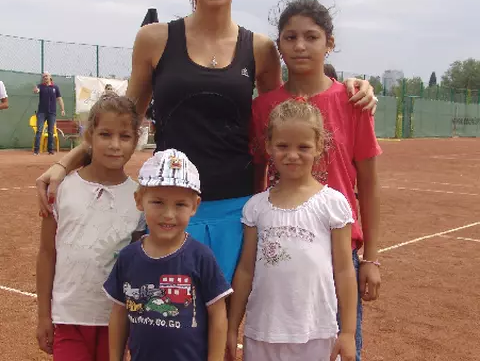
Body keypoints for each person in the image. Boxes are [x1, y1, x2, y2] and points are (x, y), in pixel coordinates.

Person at [35, 0, 376, 283]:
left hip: (237, 210)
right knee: (166, 314)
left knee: (227, 315)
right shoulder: (154, 40)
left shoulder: (260, 49)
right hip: (169, 208)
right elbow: (121, 120)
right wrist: (65, 162)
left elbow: (289, 112)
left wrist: (349, 86)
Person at [249, 0, 382, 360]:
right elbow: (257, 179)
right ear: (279, 45)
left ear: (329, 43)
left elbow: (369, 184)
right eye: (290, 37)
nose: (300, 46)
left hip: (338, 253)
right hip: (281, 246)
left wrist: (371, 258)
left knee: (339, 346)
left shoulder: (353, 101)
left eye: (311, 37)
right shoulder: (263, 107)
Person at [227, 99, 357, 361]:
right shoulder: (255, 207)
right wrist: (231, 328)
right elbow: (245, 270)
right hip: (262, 333)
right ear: (268, 146)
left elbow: (344, 271)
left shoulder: (333, 204)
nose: (292, 155)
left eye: (303, 147)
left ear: (319, 146)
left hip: (317, 334)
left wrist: (348, 332)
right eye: (283, 146)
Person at [36, 94, 146, 360]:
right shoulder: (60, 190)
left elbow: (138, 267)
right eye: (105, 134)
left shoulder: (140, 199)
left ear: (136, 140)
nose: (115, 145)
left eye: (125, 136)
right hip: (68, 318)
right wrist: (43, 316)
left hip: (116, 321)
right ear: (89, 136)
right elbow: (47, 253)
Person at [104, 149, 232, 361]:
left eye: (180, 204)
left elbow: (218, 315)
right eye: (158, 202)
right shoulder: (128, 257)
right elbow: (119, 313)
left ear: (195, 206)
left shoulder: (201, 257)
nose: (168, 214)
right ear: (139, 200)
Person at [33, 72, 65, 155]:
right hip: (41, 113)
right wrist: (36, 90)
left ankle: (50, 150)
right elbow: (37, 90)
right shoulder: (40, 86)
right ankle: (36, 151)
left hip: (52, 113)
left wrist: (62, 109)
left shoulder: (55, 87)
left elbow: (59, 99)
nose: (45, 77)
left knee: (51, 132)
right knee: (39, 131)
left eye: (46, 76)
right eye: (43, 76)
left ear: (50, 77)